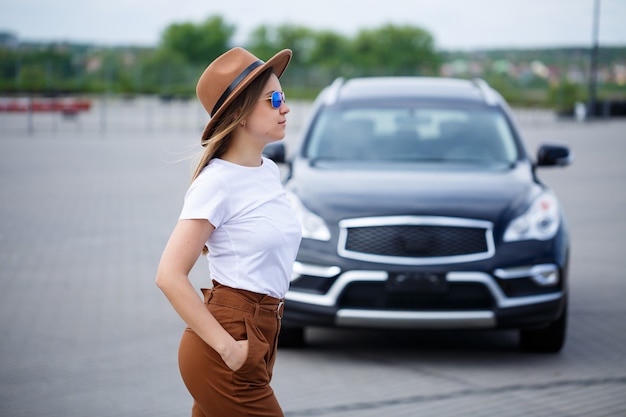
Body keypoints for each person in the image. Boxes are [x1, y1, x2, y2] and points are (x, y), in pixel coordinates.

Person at [155, 47, 302, 417]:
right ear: (238, 114)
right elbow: (169, 276)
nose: (285, 108)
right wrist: (228, 349)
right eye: (274, 99)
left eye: (283, 96)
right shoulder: (216, 183)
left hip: (263, 333)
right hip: (230, 340)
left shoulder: (268, 171)